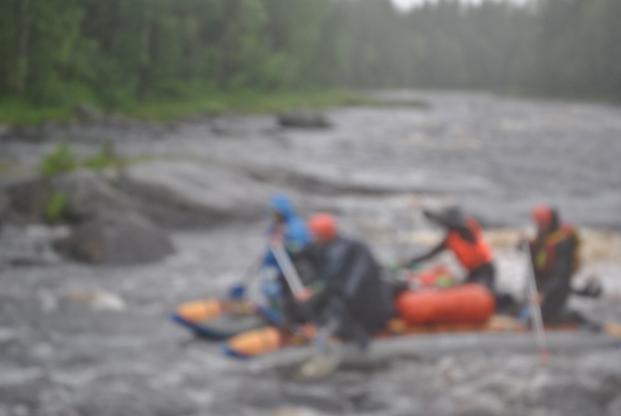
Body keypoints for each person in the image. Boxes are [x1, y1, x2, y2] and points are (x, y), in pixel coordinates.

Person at [298, 213, 394, 349]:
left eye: (315, 235)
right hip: (357, 301)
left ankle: (342, 334)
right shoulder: (334, 247)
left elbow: (338, 286)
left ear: (324, 234)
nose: (313, 238)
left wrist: (314, 292)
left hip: (364, 309)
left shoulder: (344, 252)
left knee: (329, 306)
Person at [404, 206, 496, 291]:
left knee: (481, 290)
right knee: (465, 289)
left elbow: (454, 222)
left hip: (485, 269)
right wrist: (412, 262)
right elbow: (431, 254)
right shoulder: (450, 240)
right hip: (472, 272)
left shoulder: (466, 231)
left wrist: (433, 216)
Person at [257, 194, 312, 326]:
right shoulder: (277, 226)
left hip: (292, 268)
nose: (274, 215)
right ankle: (275, 316)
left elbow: (301, 247)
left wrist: (286, 245)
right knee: (269, 289)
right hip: (275, 265)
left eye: (276, 212)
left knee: (282, 293)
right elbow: (270, 239)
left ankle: (288, 319)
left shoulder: (295, 226)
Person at [527, 204, 581, 324]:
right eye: (538, 223)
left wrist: (543, 293)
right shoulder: (544, 236)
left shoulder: (563, 242)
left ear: (550, 222)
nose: (539, 226)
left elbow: (560, 274)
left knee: (549, 314)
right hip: (543, 283)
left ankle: (574, 322)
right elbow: (536, 253)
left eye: (542, 223)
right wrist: (524, 244)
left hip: (558, 288)